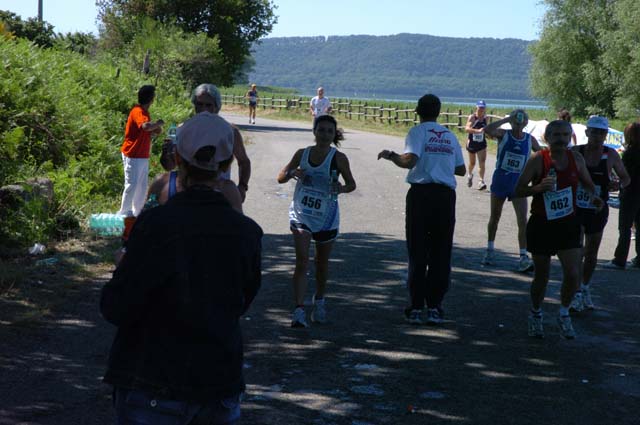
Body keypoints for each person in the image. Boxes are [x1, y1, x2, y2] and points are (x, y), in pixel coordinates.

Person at [101, 112, 263, 425]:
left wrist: (121, 269)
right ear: (227, 163)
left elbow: (115, 307)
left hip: (153, 382)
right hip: (219, 384)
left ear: (178, 159)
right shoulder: (247, 233)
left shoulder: (154, 225)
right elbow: (241, 302)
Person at [378, 94, 466, 325]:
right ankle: (435, 305)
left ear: (418, 111)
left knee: (418, 249)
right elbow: (461, 169)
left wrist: (391, 155)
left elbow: (409, 161)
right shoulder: (449, 136)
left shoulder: (417, 132)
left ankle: (416, 305)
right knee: (441, 251)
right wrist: (440, 163)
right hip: (446, 196)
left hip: (421, 195)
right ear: (438, 111)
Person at [514, 120, 603, 339]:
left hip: (568, 224)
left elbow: (589, 184)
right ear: (547, 137)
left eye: (565, 135)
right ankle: (535, 314)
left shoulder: (576, 159)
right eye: (557, 135)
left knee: (573, 274)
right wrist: (537, 188)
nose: (561, 139)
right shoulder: (538, 160)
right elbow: (518, 189)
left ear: (571, 137)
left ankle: (564, 313)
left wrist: (594, 197)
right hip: (542, 224)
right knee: (542, 276)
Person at [277, 115, 356, 328]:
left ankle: (319, 300)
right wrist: (294, 172)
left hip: (326, 216)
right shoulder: (302, 154)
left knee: (321, 263)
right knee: (302, 260)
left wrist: (340, 188)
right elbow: (281, 177)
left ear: (333, 135)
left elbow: (351, 184)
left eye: (329, 131)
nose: (324, 135)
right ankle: (299, 310)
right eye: (321, 130)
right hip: (302, 213)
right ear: (314, 131)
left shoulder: (338, 158)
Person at [569, 116, 629, 311]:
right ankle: (576, 292)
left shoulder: (611, 155)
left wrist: (617, 184)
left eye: (601, 133)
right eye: (594, 132)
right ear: (586, 133)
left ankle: (585, 287)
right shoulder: (576, 152)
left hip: (597, 209)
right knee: (577, 250)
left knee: (591, 251)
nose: (597, 136)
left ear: (605, 135)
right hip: (576, 208)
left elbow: (626, 178)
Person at [482, 109, 541, 272]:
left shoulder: (530, 139)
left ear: (526, 124)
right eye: (515, 122)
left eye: (520, 122)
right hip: (501, 181)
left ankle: (523, 256)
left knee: (522, 220)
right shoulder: (504, 134)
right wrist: (505, 120)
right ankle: (490, 250)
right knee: (495, 216)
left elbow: (543, 155)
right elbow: (487, 130)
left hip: (518, 184)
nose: (517, 125)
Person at [148, 114, 244, 213]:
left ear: (177, 156)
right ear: (226, 164)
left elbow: (142, 221)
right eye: (200, 104)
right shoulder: (230, 194)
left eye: (208, 104)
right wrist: (242, 187)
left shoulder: (161, 186)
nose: (204, 108)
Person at [190, 83, 251, 202]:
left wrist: (242, 187)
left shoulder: (230, 131)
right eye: (199, 104)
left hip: (220, 194)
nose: (204, 110)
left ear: (217, 107)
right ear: (194, 105)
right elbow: (169, 165)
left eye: (209, 105)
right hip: (188, 192)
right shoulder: (184, 130)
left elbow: (244, 161)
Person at [117, 85, 164, 217]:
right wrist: (158, 123)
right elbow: (145, 126)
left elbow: (149, 128)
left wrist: (156, 128)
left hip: (142, 155)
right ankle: (124, 214)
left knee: (142, 186)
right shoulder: (137, 111)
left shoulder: (145, 113)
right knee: (131, 184)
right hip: (132, 154)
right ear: (151, 99)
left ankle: (137, 213)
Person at [605, 122, 640, 269]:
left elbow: (623, 173)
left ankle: (620, 259)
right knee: (639, 226)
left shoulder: (630, 152)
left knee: (625, 227)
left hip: (630, 192)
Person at [464, 100, 489, 190]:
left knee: (482, 162)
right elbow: (466, 129)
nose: (481, 109)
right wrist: (477, 131)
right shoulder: (472, 117)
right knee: (472, 163)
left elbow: (487, 130)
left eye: (483, 107)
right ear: (476, 107)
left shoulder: (486, 118)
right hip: (472, 143)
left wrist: (489, 134)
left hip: (482, 143)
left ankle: (481, 181)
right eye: (480, 107)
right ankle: (470, 175)